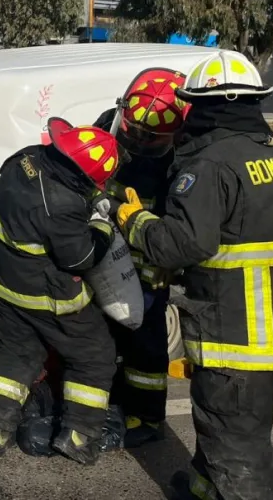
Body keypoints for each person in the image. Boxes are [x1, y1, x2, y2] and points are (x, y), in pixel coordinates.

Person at [115, 51, 273, 500]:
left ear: (201, 107)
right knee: (234, 431)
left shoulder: (208, 168)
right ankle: (205, 488)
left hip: (234, 339)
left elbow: (181, 245)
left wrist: (135, 220)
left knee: (237, 450)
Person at [0, 118, 121, 465]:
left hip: (3, 285)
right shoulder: (61, 204)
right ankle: (79, 437)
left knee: (17, 353)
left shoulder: (22, 161)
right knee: (94, 357)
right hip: (46, 297)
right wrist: (102, 225)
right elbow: (81, 258)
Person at [93, 67, 188, 448]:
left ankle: (148, 417)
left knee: (146, 347)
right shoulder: (109, 125)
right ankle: (112, 403)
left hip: (149, 267)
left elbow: (179, 226)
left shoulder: (183, 159)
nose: (142, 141)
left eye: (153, 138)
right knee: (105, 338)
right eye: (136, 132)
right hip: (103, 254)